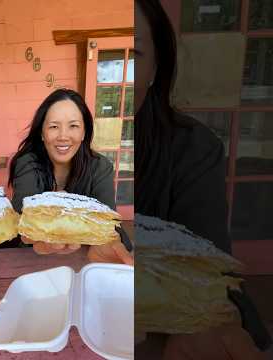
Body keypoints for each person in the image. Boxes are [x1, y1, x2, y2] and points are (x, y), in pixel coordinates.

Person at [134, 0, 271, 358]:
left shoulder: (193, 149)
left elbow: (211, 269)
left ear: (156, 67)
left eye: (136, 54)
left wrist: (200, 324)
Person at [8, 88, 133, 264]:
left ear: (84, 133)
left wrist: (110, 241)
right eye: (53, 127)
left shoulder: (100, 166)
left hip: (83, 261)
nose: (63, 136)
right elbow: (23, 216)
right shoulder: (27, 162)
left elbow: (109, 221)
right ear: (42, 134)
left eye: (73, 126)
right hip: (33, 261)